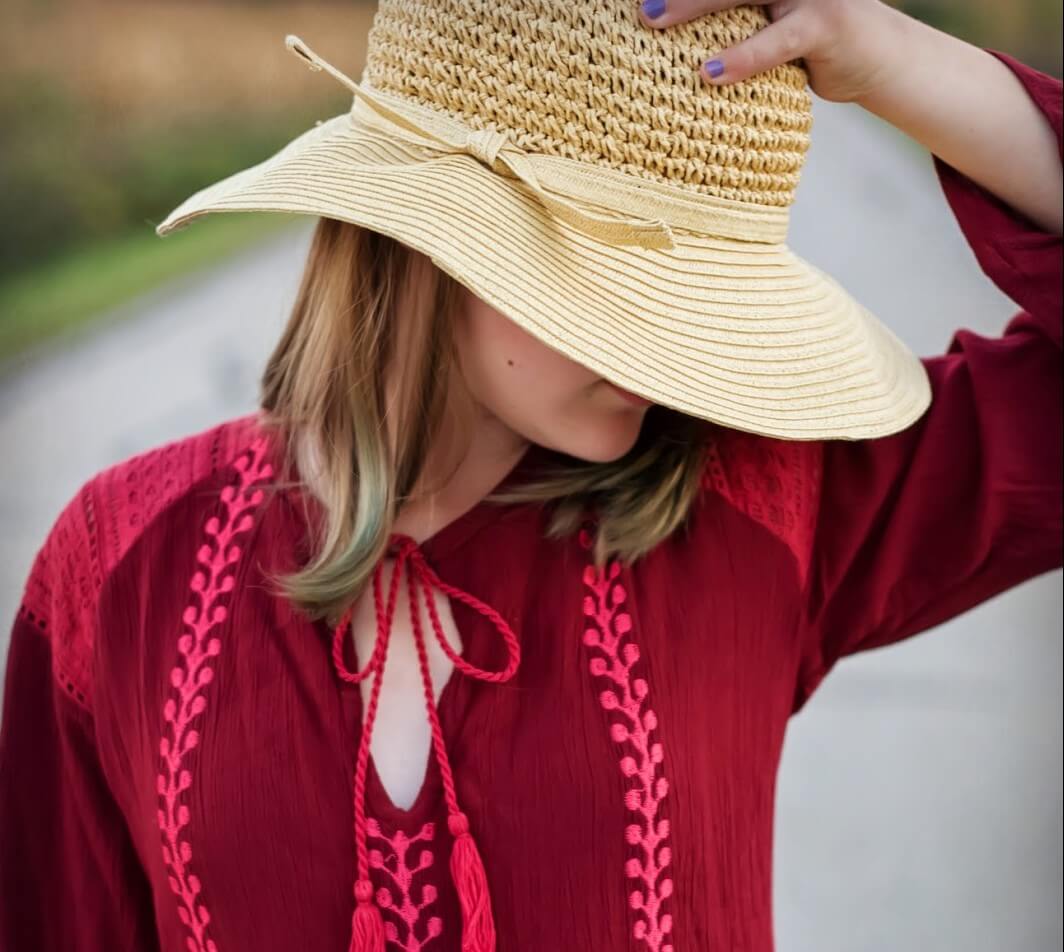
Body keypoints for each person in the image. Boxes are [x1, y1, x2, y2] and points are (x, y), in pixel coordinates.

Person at [1, 1, 1060, 950]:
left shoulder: (766, 499)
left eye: (699, 287)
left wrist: (896, 59)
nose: (666, 345)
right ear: (429, 229)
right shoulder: (121, 567)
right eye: (616, 277)